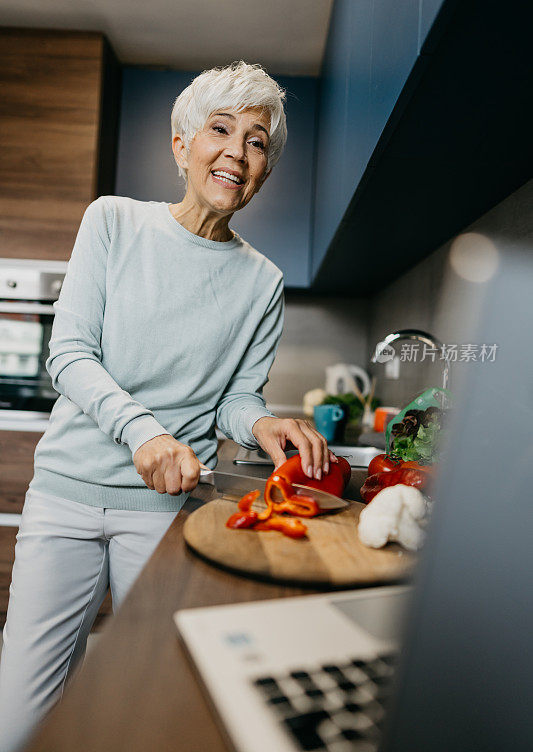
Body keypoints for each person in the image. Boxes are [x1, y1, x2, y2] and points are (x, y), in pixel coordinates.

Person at [0, 60, 337, 751]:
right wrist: (144, 434)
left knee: (146, 687)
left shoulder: (262, 282)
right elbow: (69, 355)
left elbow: (234, 400)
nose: (237, 153)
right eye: (221, 130)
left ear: (264, 171)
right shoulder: (114, 222)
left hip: (160, 511)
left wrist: (265, 421)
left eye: (256, 142)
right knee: (18, 707)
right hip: (64, 495)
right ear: (182, 146)